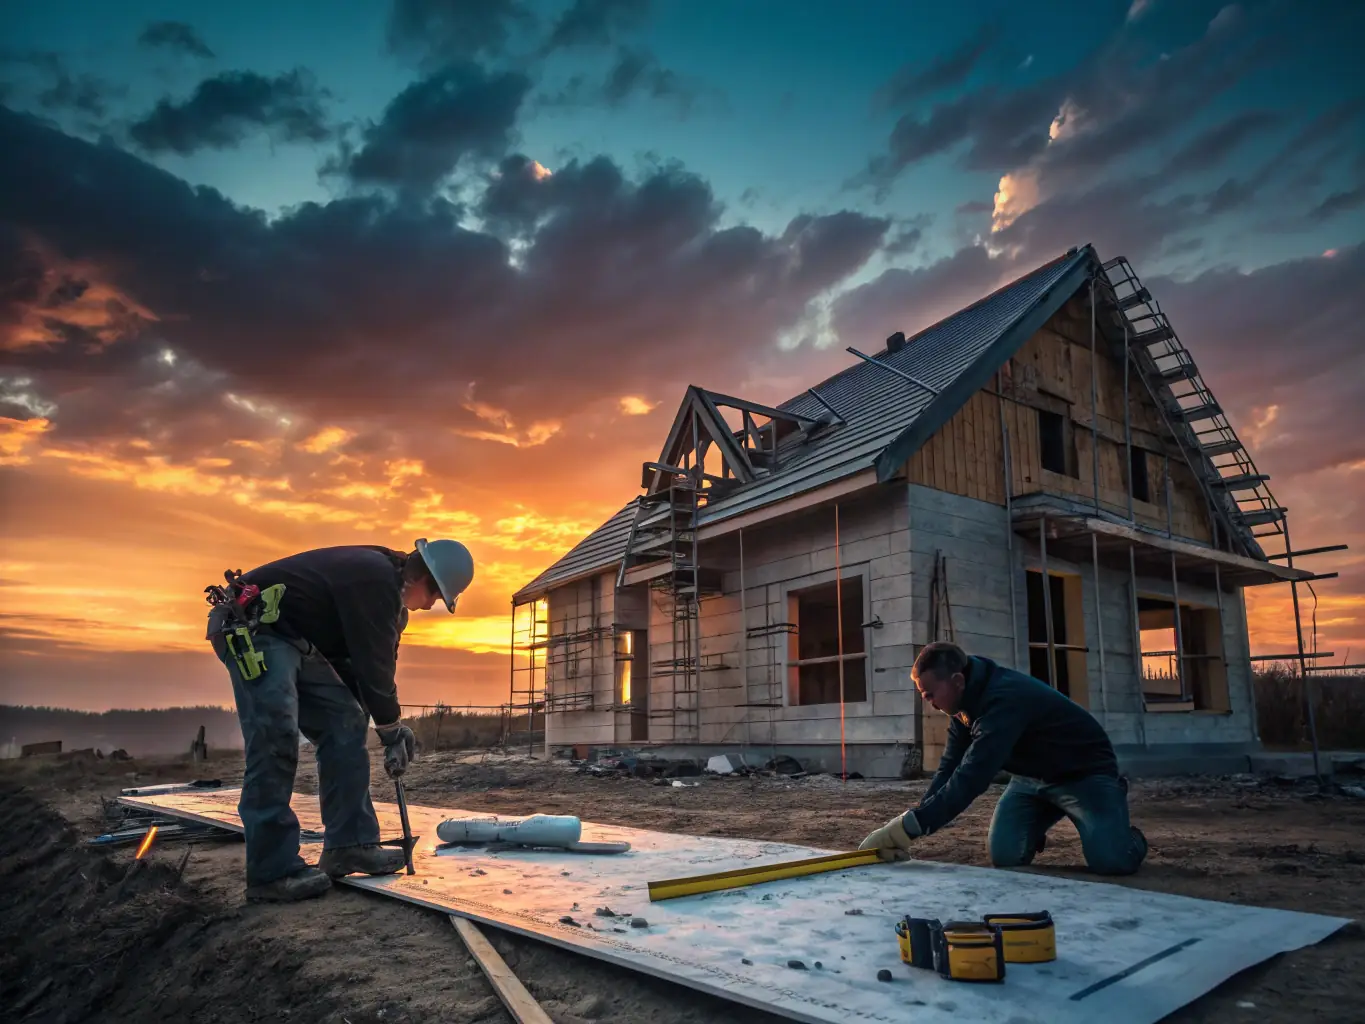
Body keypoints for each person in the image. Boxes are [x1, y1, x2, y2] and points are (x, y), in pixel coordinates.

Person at [205, 538, 475, 902]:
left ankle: (349, 845)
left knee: (346, 720)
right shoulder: (376, 579)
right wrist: (392, 730)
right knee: (276, 739)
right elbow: (372, 666)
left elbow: (365, 674)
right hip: (254, 627)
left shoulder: (391, 602)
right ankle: (271, 871)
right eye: (436, 595)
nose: (431, 605)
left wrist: (387, 728)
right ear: (420, 577)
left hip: (296, 637)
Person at [859, 641, 1147, 876]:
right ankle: (1039, 819)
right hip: (1030, 780)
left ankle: (1123, 835)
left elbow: (972, 776)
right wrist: (914, 820)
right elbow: (950, 768)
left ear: (957, 680)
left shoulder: (1005, 700)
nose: (927, 701)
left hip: (1084, 777)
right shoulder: (963, 706)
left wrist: (909, 827)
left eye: (930, 693)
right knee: (1006, 856)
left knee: (1112, 862)